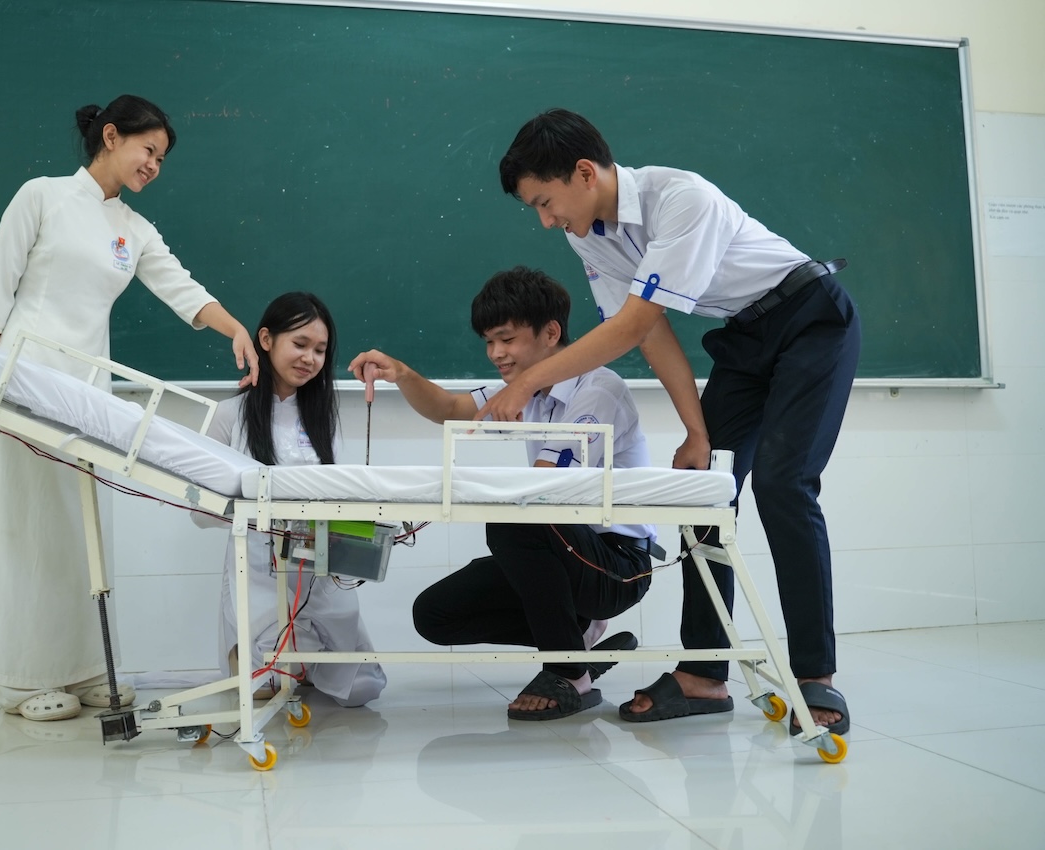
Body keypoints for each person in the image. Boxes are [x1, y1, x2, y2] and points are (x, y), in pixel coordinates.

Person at [480, 108, 860, 734]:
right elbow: (648, 333)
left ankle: (816, 674)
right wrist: (696, 432)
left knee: (784, 484)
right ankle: (704, 674)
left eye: (546, 203)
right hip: (746, 336)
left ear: (584, 173)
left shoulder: (681, 199)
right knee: (702, 492)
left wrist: (526, 380)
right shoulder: (587, 234)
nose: (547, 221)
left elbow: (629, 325)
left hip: (810, 317)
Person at [0, 95, 260, 722]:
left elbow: (181, 288)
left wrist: (235, 327)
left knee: (81, 527)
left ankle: (83, 667)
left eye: (162, 158)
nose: (154, 165)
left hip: (87, 393)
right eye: (149, 150)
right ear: (112, 136)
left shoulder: (133, 229)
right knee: (25, 525)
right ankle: (18, 679)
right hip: (22, 378)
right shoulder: (41, 196)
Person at [350, 266, 655, 720]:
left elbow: (545, 484)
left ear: (550, 333)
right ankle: (576, 639)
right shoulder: (524, 387)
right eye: (489, 342)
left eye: (506, 339)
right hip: (562, 552)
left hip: (616, 564)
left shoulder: (598, 388)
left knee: (516, 516)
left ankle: (569, 673)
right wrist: (403, 373)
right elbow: (451, 409)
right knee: (435, 614)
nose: (496, 353)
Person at [207, 291, 386, 708]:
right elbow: (203, 507)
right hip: (257, 565)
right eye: (300, 344)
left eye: (320, 350)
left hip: (318, 560)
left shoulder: (322, 418)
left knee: (362, 688)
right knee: (265, 687)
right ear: (266, 340)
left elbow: (338, 492)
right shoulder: (229, 415)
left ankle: (306, 662)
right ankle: (257, 657)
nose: (310, 358)